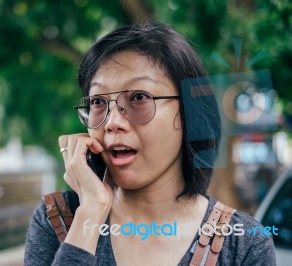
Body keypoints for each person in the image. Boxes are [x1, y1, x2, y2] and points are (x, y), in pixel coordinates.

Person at [24, 22, 276, 265]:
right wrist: (89, 213)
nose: (112, 122)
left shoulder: (243, 245)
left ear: (190, 112)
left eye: (139, 97)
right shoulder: (57, 220)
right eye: (98, 102)